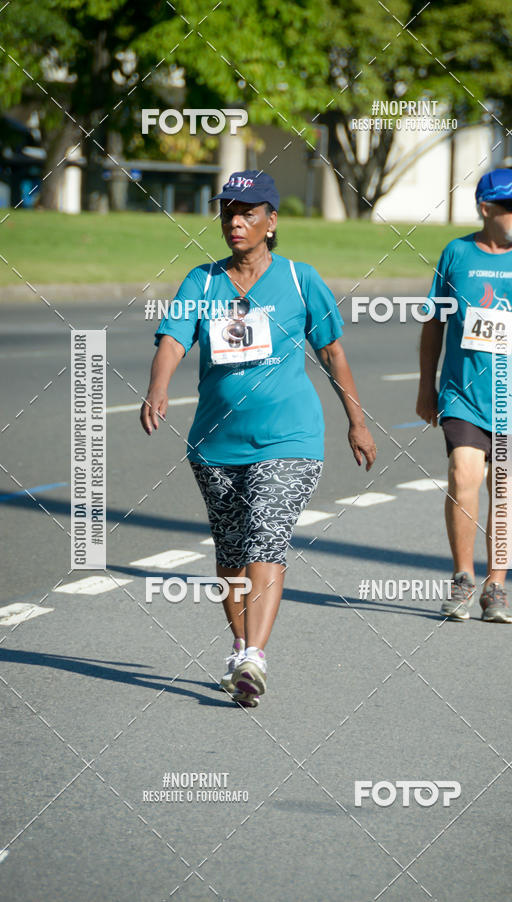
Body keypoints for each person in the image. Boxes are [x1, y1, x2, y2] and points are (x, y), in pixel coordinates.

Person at [140, 169, 376, 705]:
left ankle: (254, 658)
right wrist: (158, 387)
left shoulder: (299, 279)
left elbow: (333, 352)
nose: (236, 222)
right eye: (229, 212)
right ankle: (241, 644)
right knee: (230, 548)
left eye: (248, 212)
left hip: (289, 438)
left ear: (272, 221)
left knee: (265, 535)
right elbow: (174, 340)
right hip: (216, 443)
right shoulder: (201, 281)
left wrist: (357, 420)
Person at [416, 168, 512, 623]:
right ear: (485, 209)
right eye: (511, 205)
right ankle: (463, 578)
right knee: (462, 472)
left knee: (505, 490)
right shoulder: (456, 253)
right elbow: (434, 323)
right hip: (463, 392)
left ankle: (497, 585)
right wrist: (426, 385)